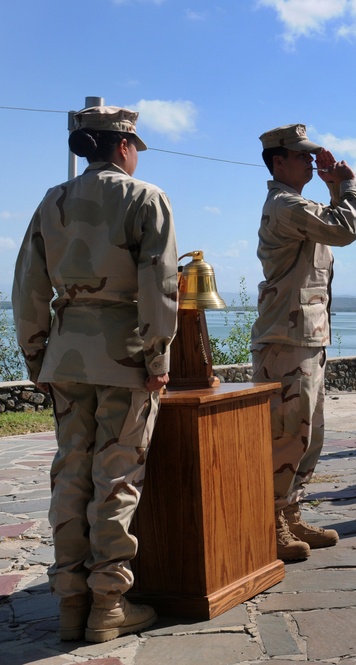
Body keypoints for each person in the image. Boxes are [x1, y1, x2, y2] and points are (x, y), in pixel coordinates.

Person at [13, 106, 177, 642]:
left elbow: (29, 287)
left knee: (71, 473)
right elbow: (160, 284)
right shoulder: (144, 198)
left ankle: (70, 602)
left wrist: (37, 356)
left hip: (68, 354)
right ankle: (108, 603)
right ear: (124, 145)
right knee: (116, 477)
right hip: (124, 352)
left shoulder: (52, 201)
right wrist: (157, 357)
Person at [251, 124, 356, 559]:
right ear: (278, 161)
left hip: (305, 337)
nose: (310, 160)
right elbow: (343, 229)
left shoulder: (298, 204)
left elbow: (332, 224)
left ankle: (289, 514)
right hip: (286, 339)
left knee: (308, 434)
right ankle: (270, 521)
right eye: (301, 155)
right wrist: (348, 185)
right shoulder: (285, 205)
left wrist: (338, 189)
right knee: (286, 436)